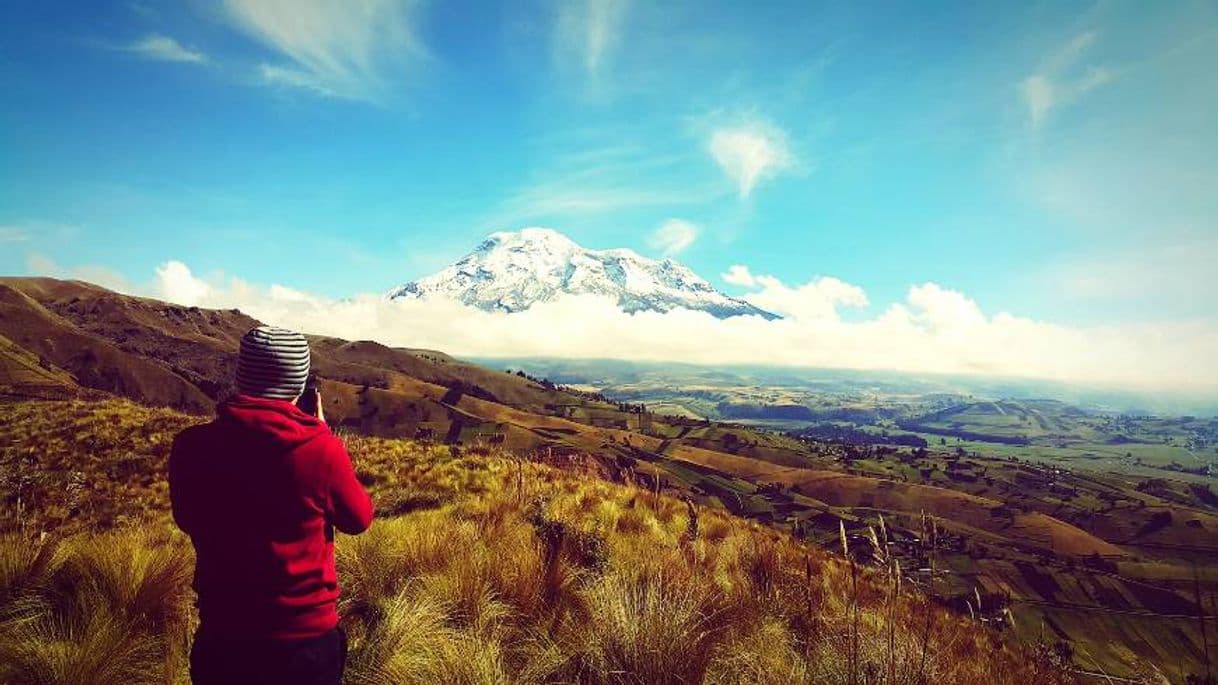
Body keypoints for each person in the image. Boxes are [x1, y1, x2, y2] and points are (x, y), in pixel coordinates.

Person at [169, 325, 374, 685]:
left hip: (224, 637)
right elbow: (359, 519)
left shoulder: (190, 446)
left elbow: (187, 519)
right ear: (299, 384)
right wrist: (322, 434)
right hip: (305, 643)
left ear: (241, 377)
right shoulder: (321, 450)